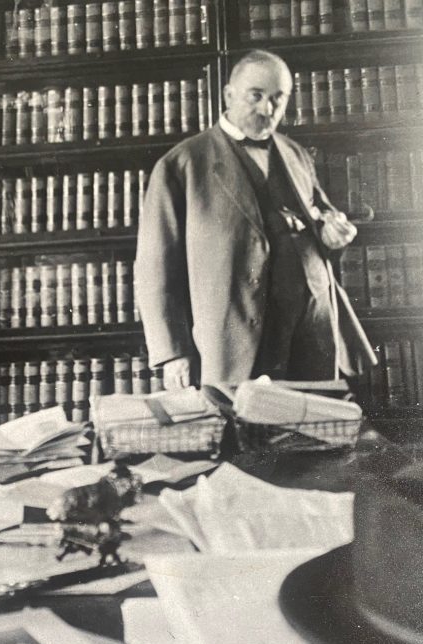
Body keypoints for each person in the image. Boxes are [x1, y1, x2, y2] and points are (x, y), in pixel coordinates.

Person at [134, 49, 377, 389]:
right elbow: (153, 270)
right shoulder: (181, 165)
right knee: (242, 436)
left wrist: (332, 237)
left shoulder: (295, 154)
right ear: (229, 94)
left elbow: (318, 225)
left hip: (313, 330)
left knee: (314, 434)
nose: (268, 109)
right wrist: (173, 353)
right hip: (236, 340)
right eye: (257, 96)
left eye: (279, 98)